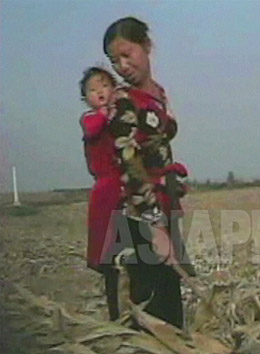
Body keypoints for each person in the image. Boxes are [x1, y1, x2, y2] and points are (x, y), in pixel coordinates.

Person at [103, 16, 193, 329]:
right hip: (138, 217)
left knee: (169, 310)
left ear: (147, 46)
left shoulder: (159, 95)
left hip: (162, 209)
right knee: (144, 317)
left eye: (127, 55)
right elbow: (127, 160)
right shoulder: (124, 101)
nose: (122, 66)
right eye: (114, 60)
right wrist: (153, 225)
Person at [79, 66, 124, 321]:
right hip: (106, 191)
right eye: (93, 90)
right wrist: (106, 113)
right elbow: (94, 128)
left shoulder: (120, 116)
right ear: (86, 98)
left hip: (126, 186)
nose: (99, 92)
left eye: (105, 86)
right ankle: (116, 315)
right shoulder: (90, 118)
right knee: (108, 255)